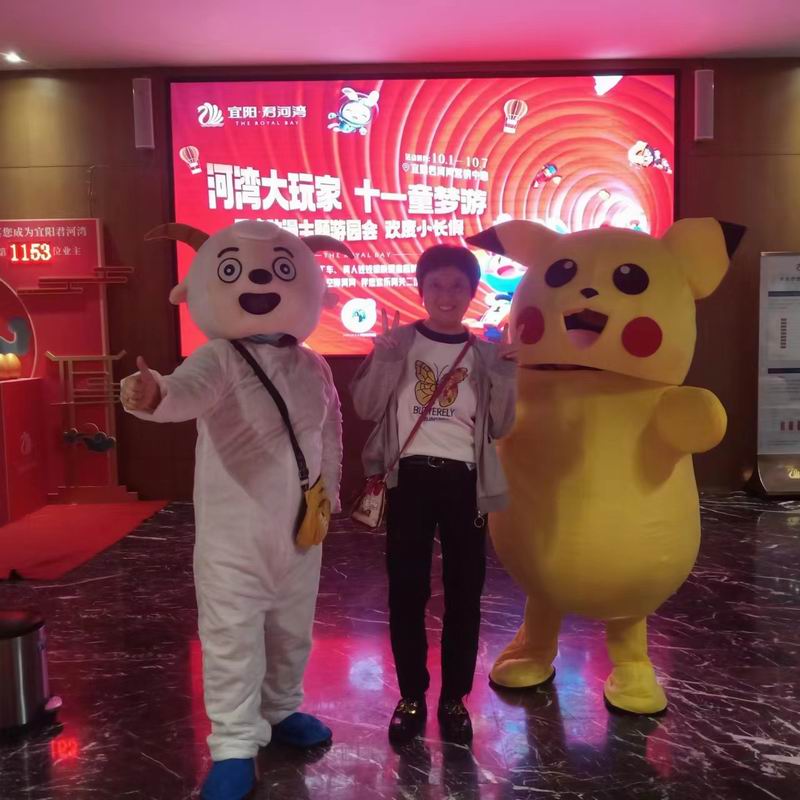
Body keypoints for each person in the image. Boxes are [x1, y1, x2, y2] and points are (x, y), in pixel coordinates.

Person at [121, 220, 348, 800]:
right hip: (234, 537)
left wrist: (329, 492)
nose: (261, 281)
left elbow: (330, 431)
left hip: (300, 531)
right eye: (234, 271)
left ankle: (281, 707)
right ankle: (233, 745)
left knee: (291, 631)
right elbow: (183, 392)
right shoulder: (219, 357)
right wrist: (154, 393)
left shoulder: (313, 365)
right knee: (232, 638)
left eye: (282, 270)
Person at [350, 244, 517, 745]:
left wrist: (508, 373)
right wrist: (385, 360)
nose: (447, 295)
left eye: (458, 286)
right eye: (437, 285)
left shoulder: (486, 354)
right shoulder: (398, 342)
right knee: (407, 591)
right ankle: (411, 696)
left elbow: (501, 425)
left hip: (466, 481)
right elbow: (365, 407)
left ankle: (453, 699)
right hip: (410, 480)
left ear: (472, 292)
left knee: (465, 594)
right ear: (421, 289)